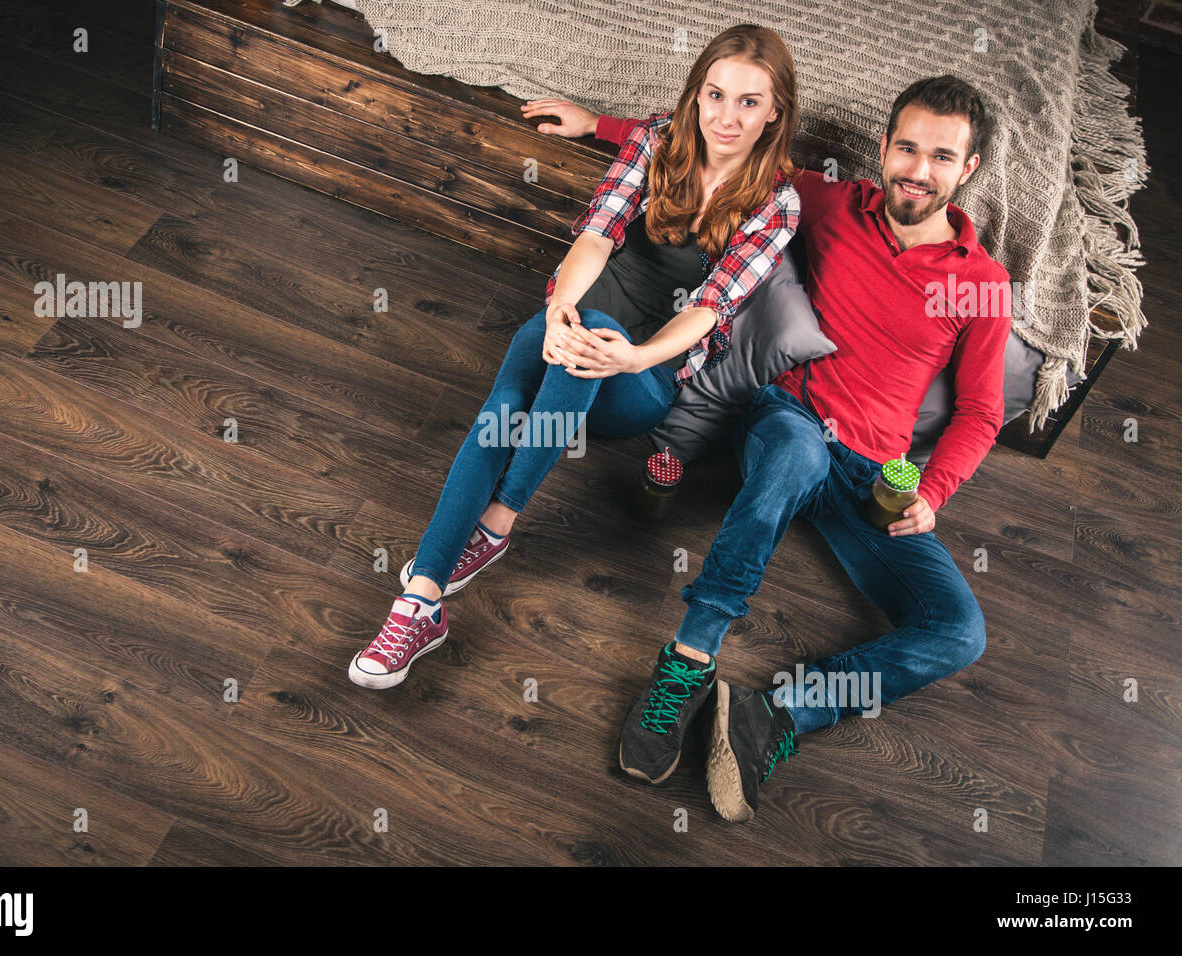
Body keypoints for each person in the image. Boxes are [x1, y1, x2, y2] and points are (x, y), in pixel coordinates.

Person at [525, 74, 1011, 822]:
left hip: (885, 467)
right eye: (906, 148)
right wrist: (597, 123)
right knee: (799, 453)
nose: (918, 169)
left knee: (960, 632)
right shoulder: (827, 203)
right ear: (882, 149)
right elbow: (718, 153)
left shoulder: (983, 283)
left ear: (967, 168)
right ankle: (688, 660)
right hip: (790, 423)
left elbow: (980, 412)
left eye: (941, 157)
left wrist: (931, 490)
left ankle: (776, 715)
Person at [349, 24, 803, 689]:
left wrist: (634, 356)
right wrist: (560, 306)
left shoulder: (775, 204)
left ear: (774, 115)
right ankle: (420, 599)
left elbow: (711, 307)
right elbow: (596, 236)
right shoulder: (657, 141)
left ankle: (496, 521)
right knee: (505, 403)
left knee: (566, 355)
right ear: (696, 93)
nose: (724, 117)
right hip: (571, 327)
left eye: (748, 103)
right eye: (714, 95)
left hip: (640, 377)